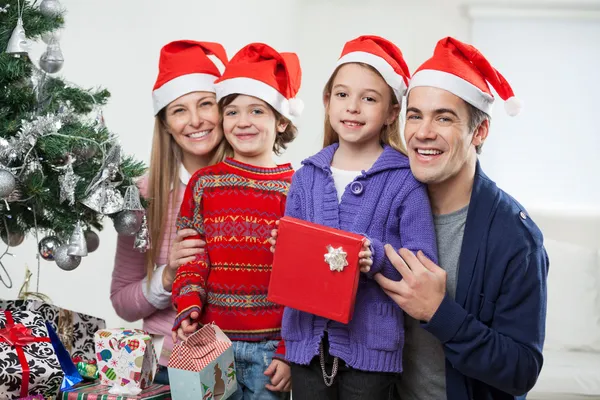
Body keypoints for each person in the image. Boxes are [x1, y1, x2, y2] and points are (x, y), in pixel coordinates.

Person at [374, 37, 549, 399]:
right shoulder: (384, 202)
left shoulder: (516, 237)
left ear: (479, 131)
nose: (423, 133)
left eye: (444, 118)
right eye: (415, 115)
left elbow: (521, 370)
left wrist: (439, 312)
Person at [270, 35, 438, 400]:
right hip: (305, 342)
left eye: (369, 98)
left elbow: (423, 262)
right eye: (342, 95)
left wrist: (374, 257)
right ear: (328, 102)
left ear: (392, 112)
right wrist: (283, 248)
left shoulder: (405, 182)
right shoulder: (306, 176)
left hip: (371, 348)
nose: (353, 107)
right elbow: (293, 268)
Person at [171, 43, 302, 399]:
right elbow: (192, 257)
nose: (243, 122)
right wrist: (187, 308)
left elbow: (303, 280)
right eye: (232, 112)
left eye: (257, 110)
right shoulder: (204, 184)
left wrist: (290, 351)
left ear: (282, 120)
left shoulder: (299, 188)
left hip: (270, 352)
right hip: (211, 343)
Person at [110, 40, 229, 384]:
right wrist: (166, 275)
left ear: (224, 109)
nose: (195, 121)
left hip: (247, 361)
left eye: (206, 104)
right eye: (179, 110)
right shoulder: (142, 195)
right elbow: (122, 302)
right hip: (169, 368)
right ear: (164, 123)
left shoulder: (259, 188)